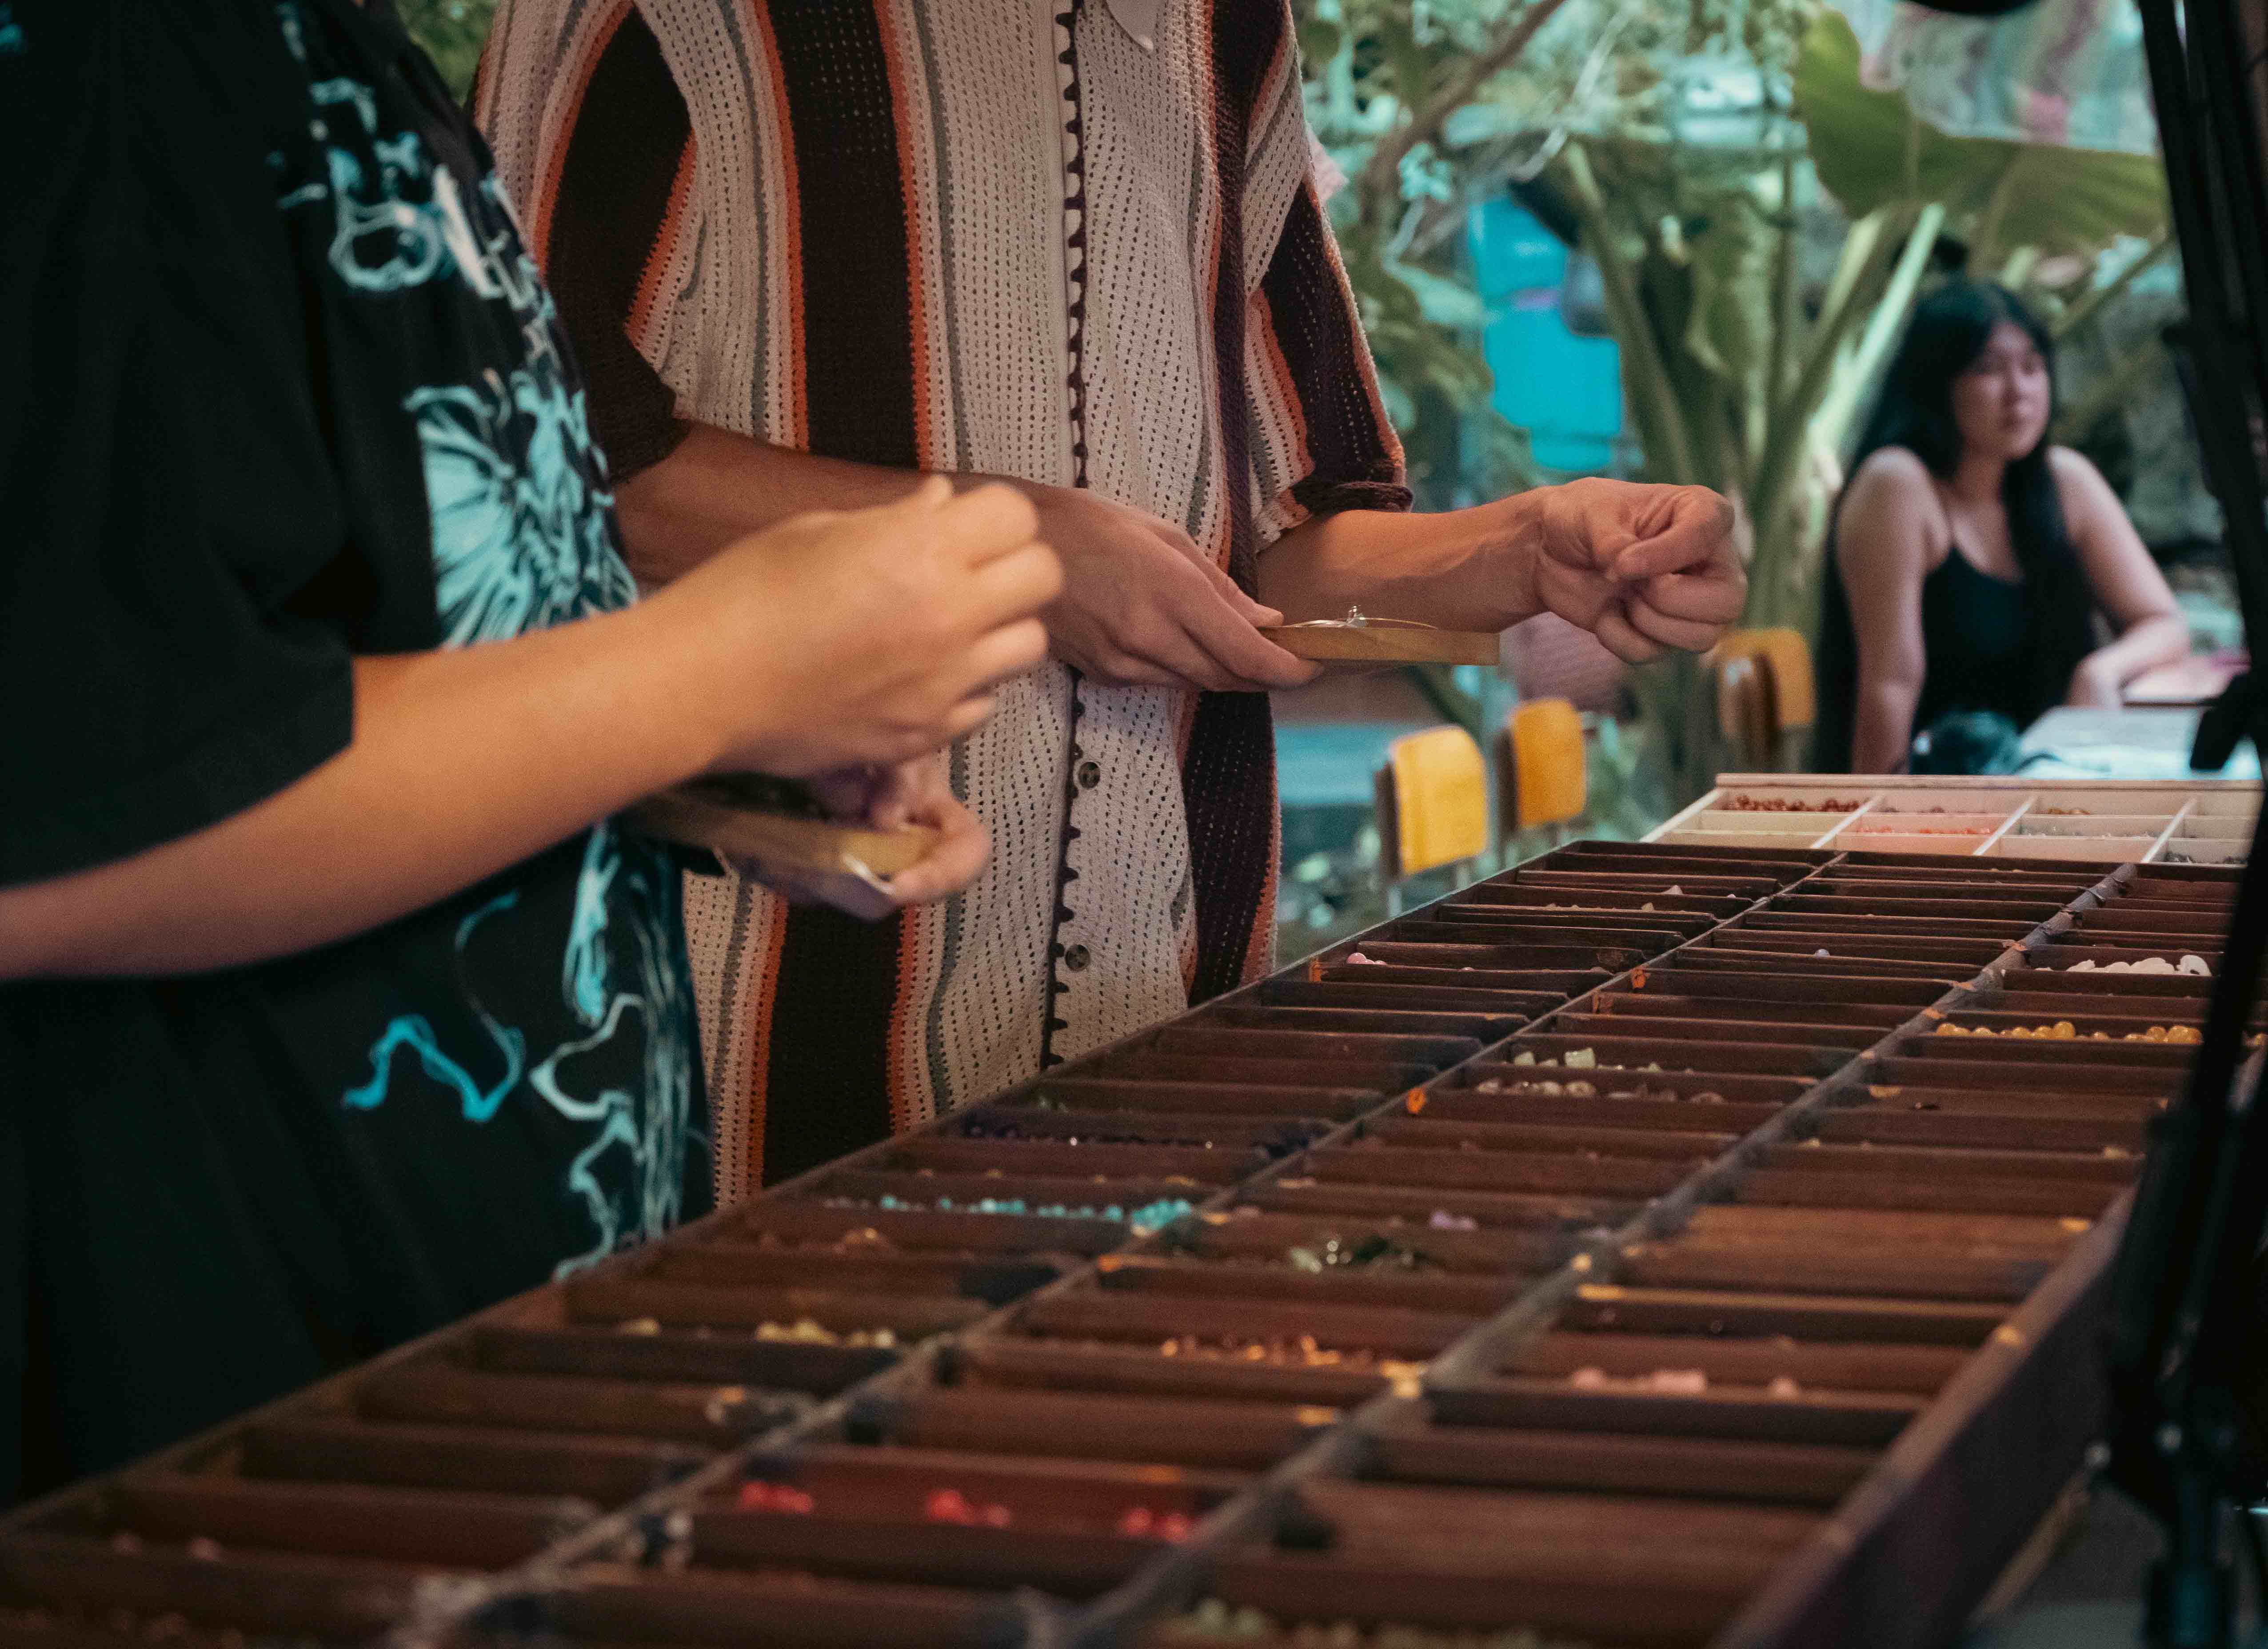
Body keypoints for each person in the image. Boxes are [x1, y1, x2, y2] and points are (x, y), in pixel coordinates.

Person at [0, 0, 1059, 1590]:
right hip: (165, 1464)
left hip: (406, 1434)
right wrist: (718, 667)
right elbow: (2, 852)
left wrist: (707, 767)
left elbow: (258, 659)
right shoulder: (60, 55)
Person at [475, 0, 1749, 1201]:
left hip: (1164, 1018)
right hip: (750, 1032)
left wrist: (1532, 550)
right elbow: (520, 457)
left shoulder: (1229, 23)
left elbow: (1269, 555)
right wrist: (1019, 543)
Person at [1816, 280, 2189, 772]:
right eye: (1989, 369)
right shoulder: (1899, 485)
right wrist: (1876, 831)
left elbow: (2162, 622)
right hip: (1940, 802)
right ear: (1937, 384)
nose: (2020, 392)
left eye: (2032, 367)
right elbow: (1891, 686)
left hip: (2051, 788)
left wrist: (2099, 671)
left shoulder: (2065, 480)